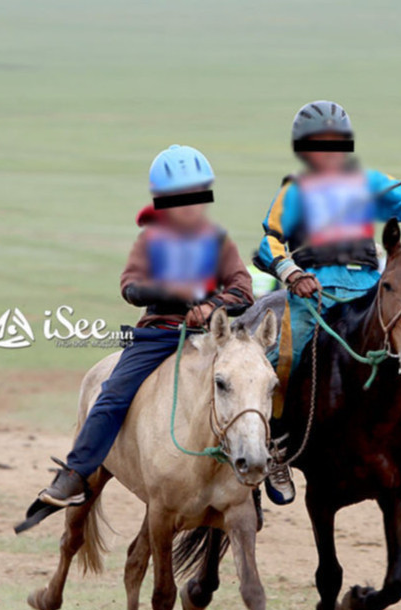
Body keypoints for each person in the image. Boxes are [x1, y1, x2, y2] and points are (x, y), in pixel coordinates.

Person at [255, 100, 401, 503]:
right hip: (315, 291)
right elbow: (269, 240)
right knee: (281, 357)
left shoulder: (370, 183)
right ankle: (277, 446)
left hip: (368, 290)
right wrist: (292, 272)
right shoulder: (295, 190)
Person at [27, 145, 254, 509]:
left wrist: (211, 306)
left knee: (257, 385)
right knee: (112, 394)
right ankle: (75, 473)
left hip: (213, 338)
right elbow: (131, 287)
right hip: (159, 334)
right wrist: (179, 295)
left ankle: (265, 469)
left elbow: (244, 289)